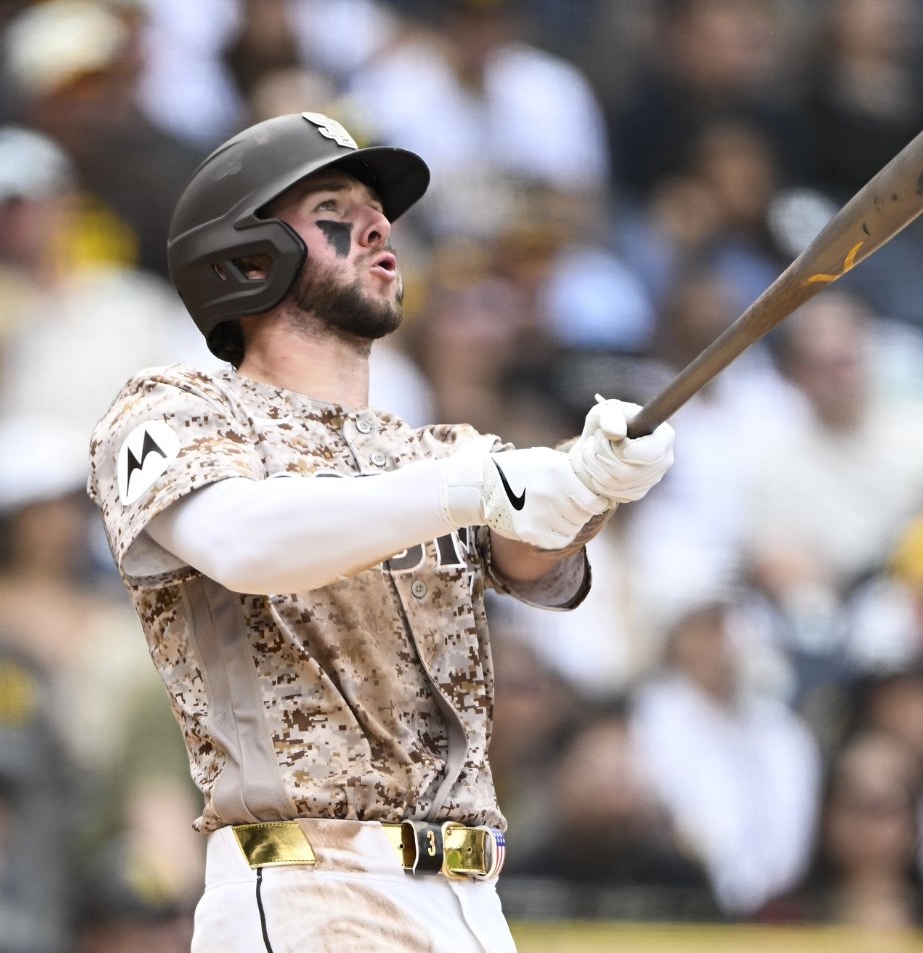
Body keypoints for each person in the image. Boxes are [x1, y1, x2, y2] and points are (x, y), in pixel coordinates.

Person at [85, 111, 676, 952]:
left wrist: (592, 482)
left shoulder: (432, 449)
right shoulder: (178, 408)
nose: (377, 227)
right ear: (245, 257)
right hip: (307, 882)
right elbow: (243, 545)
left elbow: (532, 554)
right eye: (333, 207)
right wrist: (473, 486)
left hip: (471, 897)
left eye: (377, 211)